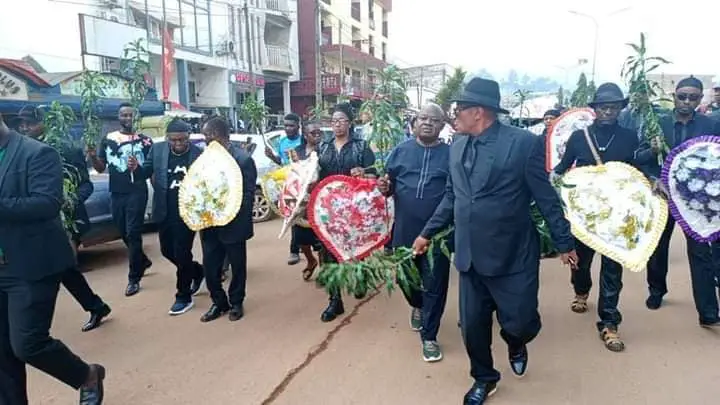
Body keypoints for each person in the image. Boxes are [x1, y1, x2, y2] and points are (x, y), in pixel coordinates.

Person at [412, 78, 576, 404]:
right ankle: (484, 379)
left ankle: (516, 340)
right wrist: (426, 232)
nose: (453, 116)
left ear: (478, 112)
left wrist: (564, 242)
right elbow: (452, 197)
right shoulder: (456, 145)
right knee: (472, 327)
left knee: (522, 321)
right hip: (471, 255)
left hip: (513, 254)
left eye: (458, 109)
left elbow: (545, 197)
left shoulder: (523, 144)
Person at [0, 114, 106, 405]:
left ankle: (86, 375)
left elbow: (46, 204)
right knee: (2, 353)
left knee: (27, 344)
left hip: (31, 265)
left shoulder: (37, 153)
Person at [551, 83, 640, 352]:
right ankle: (581, 290)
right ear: (595, 109)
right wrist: (554, 186)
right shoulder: (580, 137)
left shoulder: (630, 137)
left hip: (617, 215)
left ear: (621, 109)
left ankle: (609, 323)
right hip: (584, 217)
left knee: (613, 269)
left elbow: (637, 171)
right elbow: (561, 169)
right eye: (603, 106)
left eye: (614, 106)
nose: (609, 111)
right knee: (581, 263)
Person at [16, 105, 111, 333]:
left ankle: (33, 329)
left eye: (30, 123)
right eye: (22, 124)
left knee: (60, 267)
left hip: (68, 220)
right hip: (39, 222)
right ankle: (96, 306)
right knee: (65, 269)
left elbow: (86, 185)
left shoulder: (66, 150)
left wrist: (71, 200)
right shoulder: (21, 152)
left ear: (45, 122)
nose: (25, 128)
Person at [635, 77, 720, 325]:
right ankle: (656, 291)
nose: (687, 101)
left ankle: (708, 312)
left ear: (700, 98)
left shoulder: (711, 124)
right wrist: (653, 165)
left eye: (693, 97)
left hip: (696, 201)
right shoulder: (657, 123)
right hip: (663, 195)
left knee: (700, 251)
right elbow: (639, 157)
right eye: (682, 96)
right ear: (674, 95)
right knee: (658, 247)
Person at [378, 103, 452, 363]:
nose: (428, 123)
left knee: (435, 285)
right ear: (414, 122)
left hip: (438, 236)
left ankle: (429, 337)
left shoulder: (452, 154)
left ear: (442, 125)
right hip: (404, 231)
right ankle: (417, 305)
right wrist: (383, 187)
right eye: (423, 118)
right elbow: (387, 186)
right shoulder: (400, 151)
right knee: (405, 281)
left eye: (434, 119)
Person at [317, 103, 377, 322]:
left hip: (355, 210)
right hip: (328, 210)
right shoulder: (323, 147)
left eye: (341, 120)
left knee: (357, 248)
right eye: (333, 121)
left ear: (350, 123)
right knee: (329, 253)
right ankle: (335, 301)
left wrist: (364, 172)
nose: (337, 124)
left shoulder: (362, 147)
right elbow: (315, 175)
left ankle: (361, 278)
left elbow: (375, 173)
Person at [140, 118, 205, 316]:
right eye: (174, 140)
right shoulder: (157, 150)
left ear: (189, 138)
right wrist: (135, 168)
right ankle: (196, 271)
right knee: (167, 251)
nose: (178, 144)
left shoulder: (199, 155)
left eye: (182, 140)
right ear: (168, 138)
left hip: (187, 212)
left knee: (182, 252)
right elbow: (146, 171)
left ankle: (183, 296)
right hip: (164, 210)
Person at [88, 103, 153, 297]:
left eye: (130, 115)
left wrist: (137, 168)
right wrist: (92, 157)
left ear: (135, 117)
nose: (127, 118)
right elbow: (100, 168)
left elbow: (150, 170)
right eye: (123, 115)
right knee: (122, 230)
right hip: (116, 192)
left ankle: (134, 278)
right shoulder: (108, 140)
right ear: (118, 117)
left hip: (137, 192)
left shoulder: (145, 141)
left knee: (133, 233)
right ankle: (142, 260)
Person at [199, 117, 257, 323]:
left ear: (223, 136)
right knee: (210, 268)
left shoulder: (242, 159)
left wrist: (230, 212)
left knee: (237, 266)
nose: (206, 139)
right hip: (209, 224)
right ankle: (218, 302)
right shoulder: (203, 158)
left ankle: (236, 302)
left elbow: (248, 194)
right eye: (205, 136)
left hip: (234, 225)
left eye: (210, 135)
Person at [265, 113, 304, 266]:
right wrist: (271, 157)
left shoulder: (303, 141)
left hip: (303, 183)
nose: (288, 128)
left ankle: (311, 245)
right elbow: (282, 162)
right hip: (289, 185)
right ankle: (294, 251)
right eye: (286, 125)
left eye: (291, 125)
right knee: (292, 217)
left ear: (298, 126)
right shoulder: (281, 142)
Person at [289, 120, 323, 281]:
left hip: (320, 200)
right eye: (313, 133)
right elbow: (291, 172)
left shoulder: (325, 150)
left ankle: (325, 270)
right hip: (301, 201)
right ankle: (310, 261)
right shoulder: (297, 151)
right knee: (301, 237)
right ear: (305, 135)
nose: (317, 135)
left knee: (322, 238)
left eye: (319, 132)